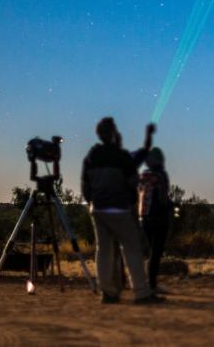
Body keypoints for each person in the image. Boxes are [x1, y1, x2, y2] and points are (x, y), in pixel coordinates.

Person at [81, 117, 164, 304]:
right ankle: (141, 292)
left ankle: (108, 292)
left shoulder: (91, 156)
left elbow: (85, 185)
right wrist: (130, 203)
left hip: (98, 208)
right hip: (119, 208)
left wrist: (91, 202)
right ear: (113, 133)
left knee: (104, 251)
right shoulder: (122, 157)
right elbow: (132, 182)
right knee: (132, 249)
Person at [138, 147, 172, 294]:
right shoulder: (161, 175)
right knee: (156, 252)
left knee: (149, 251)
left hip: (144, 217)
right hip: (159, 218)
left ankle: (147, 282)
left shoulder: (143, 175)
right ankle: (152, 284)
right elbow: (163, 198)